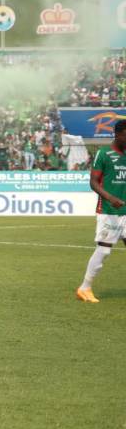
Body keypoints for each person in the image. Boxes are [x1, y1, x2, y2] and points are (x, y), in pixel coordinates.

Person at [76, 119, 126, 302]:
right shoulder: (103, 154)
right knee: (104, 251)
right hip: (108, 211)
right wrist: (110, 198)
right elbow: (93, 182)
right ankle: (85, 288)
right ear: (118, 134)